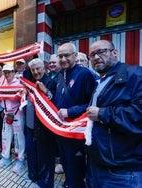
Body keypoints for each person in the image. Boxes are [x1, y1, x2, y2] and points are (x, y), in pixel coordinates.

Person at [85, 40, 142, 188]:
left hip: (122, 171)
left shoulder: (135, 74)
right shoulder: (101, 81)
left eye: (101, 52)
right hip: (97, 164)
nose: (96, 57)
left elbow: (139, 113)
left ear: (114, 53)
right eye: (92, 55)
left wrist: (103, 113)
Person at [53, 42, 96, 188]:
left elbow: (93, 103)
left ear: (75, 55)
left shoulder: (84, 74)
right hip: (61, 130)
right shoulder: (59, 74)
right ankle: (69, 183)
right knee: (65, 161)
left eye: (67, 55)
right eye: (60, 56)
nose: (63, 59)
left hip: (76, 131)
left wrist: (71, 111)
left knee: (76, 164)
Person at [25, 58, 57, 187]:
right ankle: (34, 175)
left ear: (44, 68)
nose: (36, 72)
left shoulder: (51, 82)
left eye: (38, 68)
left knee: (45, 156)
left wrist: (45, 91)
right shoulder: (31, 82)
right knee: (32, 153)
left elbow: (55, 102)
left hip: (44, 128)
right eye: (33, 70)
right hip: (31, 125)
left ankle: (45, 183)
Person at [0, 64, 25, 173]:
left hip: (17, 114)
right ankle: (5, 157)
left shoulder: (19, 84)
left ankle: (20, 160)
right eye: (5, 73)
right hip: (7, 114)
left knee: (18, 138)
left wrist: (14, 111)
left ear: (13, 72)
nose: (7, 74)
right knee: (5, 136)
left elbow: (22, 99)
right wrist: (4, 110)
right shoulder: (3, 84)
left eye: (9, 72)